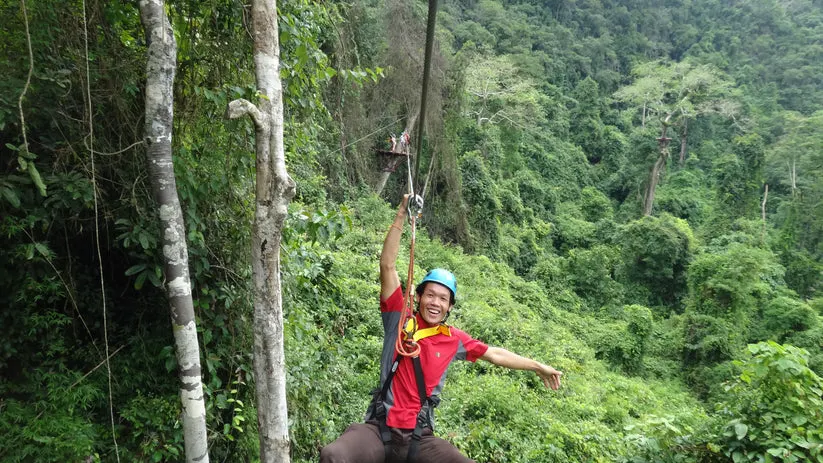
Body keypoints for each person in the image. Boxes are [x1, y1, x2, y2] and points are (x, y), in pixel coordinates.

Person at [320, 195, 562, 463]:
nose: (435, 302)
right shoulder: (398, 319)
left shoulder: (452, 339)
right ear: (419, 297)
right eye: (430, 295)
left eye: (443, 299)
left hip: (419, 438)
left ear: (449, 307)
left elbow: (494, 354)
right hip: (379, 429)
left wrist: (537, 366)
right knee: (334, 456)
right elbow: (387, 265)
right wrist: (401, 213)